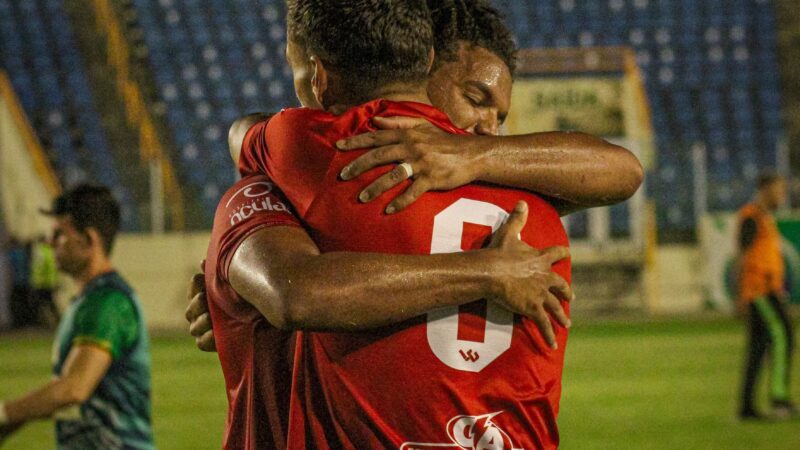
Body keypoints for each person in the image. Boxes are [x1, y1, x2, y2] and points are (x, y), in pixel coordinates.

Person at [203, 1, 641, 448]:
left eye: (501, 118)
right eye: (475, 99)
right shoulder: (536, 205)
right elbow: (623, 171)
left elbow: (248, 135)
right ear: (425, 63)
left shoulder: (321, 158)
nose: (489, 129)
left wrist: (470, 155)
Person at [0, 184, 154, 449]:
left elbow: (73, 388)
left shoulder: (108, 302)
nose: (50, 242)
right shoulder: (87, 301)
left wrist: (3, 414)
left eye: (60, 234)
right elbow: (60, 392)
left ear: (89, 240)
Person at [737, 171, 796, 420]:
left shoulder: (763, 218)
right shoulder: (752, 217)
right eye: (778, 189)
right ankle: (779, 398)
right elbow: (743, 256)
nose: (782, 194)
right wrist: (742, 294)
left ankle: (746, 408)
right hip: (760, 291)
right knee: (784, 336)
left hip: (766, 289)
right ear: (764, 189)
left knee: (758, 349)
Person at [30, 235, 60, 328]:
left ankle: (41, 323)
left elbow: (40, 268)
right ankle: (55, 321)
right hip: (46, 283)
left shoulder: (40, 252)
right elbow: (52, 269)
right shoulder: (49, 251)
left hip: (41, 283)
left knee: (39, 304)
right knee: (48, 304)